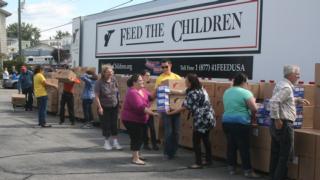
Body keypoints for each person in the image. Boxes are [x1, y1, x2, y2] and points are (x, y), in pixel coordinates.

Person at [269, 65, 310, 180]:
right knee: (285, 155)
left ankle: (273, 176)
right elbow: (274, 102)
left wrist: (297, 100)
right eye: (297, 74)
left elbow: (283, 101)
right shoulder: (287, 88)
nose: (299, 76)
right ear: (290, 75)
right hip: (284, 124)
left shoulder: (281, 84)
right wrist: (277, 119)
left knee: (276, 153)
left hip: (278, 122)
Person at [167, 73, 215, 169]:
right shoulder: (201, 89)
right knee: (206, 139)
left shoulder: (193, 93)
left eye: (186, 81)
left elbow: (184, 107)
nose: (185, 82)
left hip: (201, 119)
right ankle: (209, 160)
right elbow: (182, 92)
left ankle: (198, 163)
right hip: (209, 117)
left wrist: (170, 113)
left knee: (196, 141)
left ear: (190, 82)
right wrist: (169, 91)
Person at [222, 73, 260, 178]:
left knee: (231, 146)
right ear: (244, 82)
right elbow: (254, 109)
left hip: (226, 121)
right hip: (240, 123)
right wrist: (253, 118)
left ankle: (231, 168)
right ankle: (247, 171)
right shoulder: (246, 92)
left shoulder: (227, 91)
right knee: (244, 147)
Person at [121, 74, 158, 165]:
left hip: (141, 120)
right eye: (140, 80)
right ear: (134, 82)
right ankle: (135, 158)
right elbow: (140, 107)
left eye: (142, 80)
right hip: (131, 120)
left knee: (140, 137)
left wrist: (158, 90)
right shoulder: (132, 92)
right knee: (136, 138)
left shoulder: (142, 90)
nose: (142, 81)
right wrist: (153, 113)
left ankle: (137, 155)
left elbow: (151, 97)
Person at [154, 59, 182, 159]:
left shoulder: (176, 77)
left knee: (177, 132)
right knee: (168, 131)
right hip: (165, 108)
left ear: (170, 65)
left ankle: (174, 152)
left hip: (176, 107)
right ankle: (167, 153)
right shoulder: (160, 78)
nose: (164, 69)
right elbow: (156, 93)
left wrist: (172, 91)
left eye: (166, 66)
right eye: (163, 67)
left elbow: (182, 91)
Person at [95, 64, 122, 150]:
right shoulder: (99, 82)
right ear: (104, 73)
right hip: (104, 106)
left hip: (114, 105)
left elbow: (117, 92)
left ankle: (115, 142)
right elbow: (96, 96)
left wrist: (119, 102)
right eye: (108, 72)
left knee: (114, 124)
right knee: (106, 125)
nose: (110, 73)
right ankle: (106, 142)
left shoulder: (114, 80)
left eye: (111, 72)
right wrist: (99, 107)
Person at [141, 70, 159, 151]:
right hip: (143, 109)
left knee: (152, 127)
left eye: (149, 75)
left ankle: (154, 144)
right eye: (147, 75)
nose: (148, 77)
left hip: (150, 108)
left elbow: (151, 97)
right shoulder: (139, 86)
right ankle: (146, 144)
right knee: (144, 128)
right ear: (142, 76)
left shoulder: (151, 85)